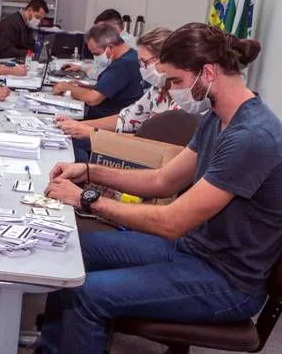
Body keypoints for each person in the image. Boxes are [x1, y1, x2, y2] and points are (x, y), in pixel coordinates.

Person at [41, 23, 280, 354]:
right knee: (72, 250)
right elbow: (162, 180)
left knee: (86, 293)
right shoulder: (218, 118)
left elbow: (171, 222)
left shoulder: (252, 136)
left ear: (208, 72)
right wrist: (90, 172)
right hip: (193, 251)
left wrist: (86, 199)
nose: (173, 90)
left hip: (227, 282)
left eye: (177, 81)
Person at [56, 27, 199, 140]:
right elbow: (126, 118)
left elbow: (152, 143)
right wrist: (78, 125)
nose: (142, 68)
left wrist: (91, 132)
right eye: (140, 62)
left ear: (165, 59)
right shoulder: (158, 90)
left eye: (145, 62)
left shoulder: (184, 99)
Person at [64, 9, 137, 79]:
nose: (98, 34)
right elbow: (100, 67)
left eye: (101, 30)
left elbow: (103, 74)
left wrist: (86, 70)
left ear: (114, 28)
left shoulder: (126, 46)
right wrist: (81, 67)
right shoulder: (115, 43)